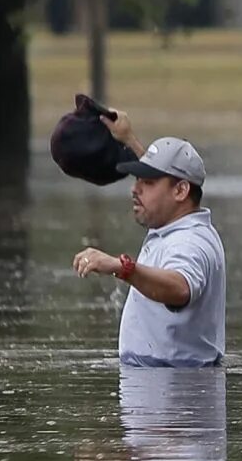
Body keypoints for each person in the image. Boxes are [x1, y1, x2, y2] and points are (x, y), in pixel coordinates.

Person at [71, 111, 227, 368]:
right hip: (164, 384)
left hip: (176, 393)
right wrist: (128, 139)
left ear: (180, 191)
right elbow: (166, 179)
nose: (135, 188)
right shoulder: (176, 226)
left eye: (148, 182)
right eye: (138, 180)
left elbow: (180, 288)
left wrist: (122, 267)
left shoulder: (189, 242)